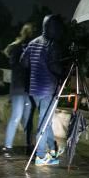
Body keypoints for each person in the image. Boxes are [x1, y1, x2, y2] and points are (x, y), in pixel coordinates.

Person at [22, 14, 65, 165]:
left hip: (34, 89)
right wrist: (64, 71)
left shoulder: (33, 42)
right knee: (44, 122)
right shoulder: (52, 44)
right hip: (48, 89)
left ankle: (52, 149)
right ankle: (40, 156)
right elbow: (54, 66)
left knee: (46, 120)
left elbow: (24, 62)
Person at [2, 23, 35, 158]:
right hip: (24, 87)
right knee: (21, 117)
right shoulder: (25, 47)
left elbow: (12, 62)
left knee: (21, 117)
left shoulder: (17, 47)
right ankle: (12, 145)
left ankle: (16, 145)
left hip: (20, 87)